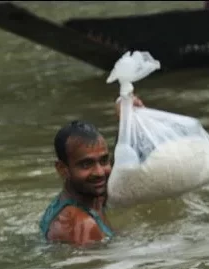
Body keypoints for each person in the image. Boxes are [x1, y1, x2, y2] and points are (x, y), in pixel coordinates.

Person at [39, 97, 143, 246]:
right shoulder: (80, 225)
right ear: (62, 169)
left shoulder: (90, 196)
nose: (100, 172)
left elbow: (122, 166)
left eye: (103, 160)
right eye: (86, 164)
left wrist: (126, 119)